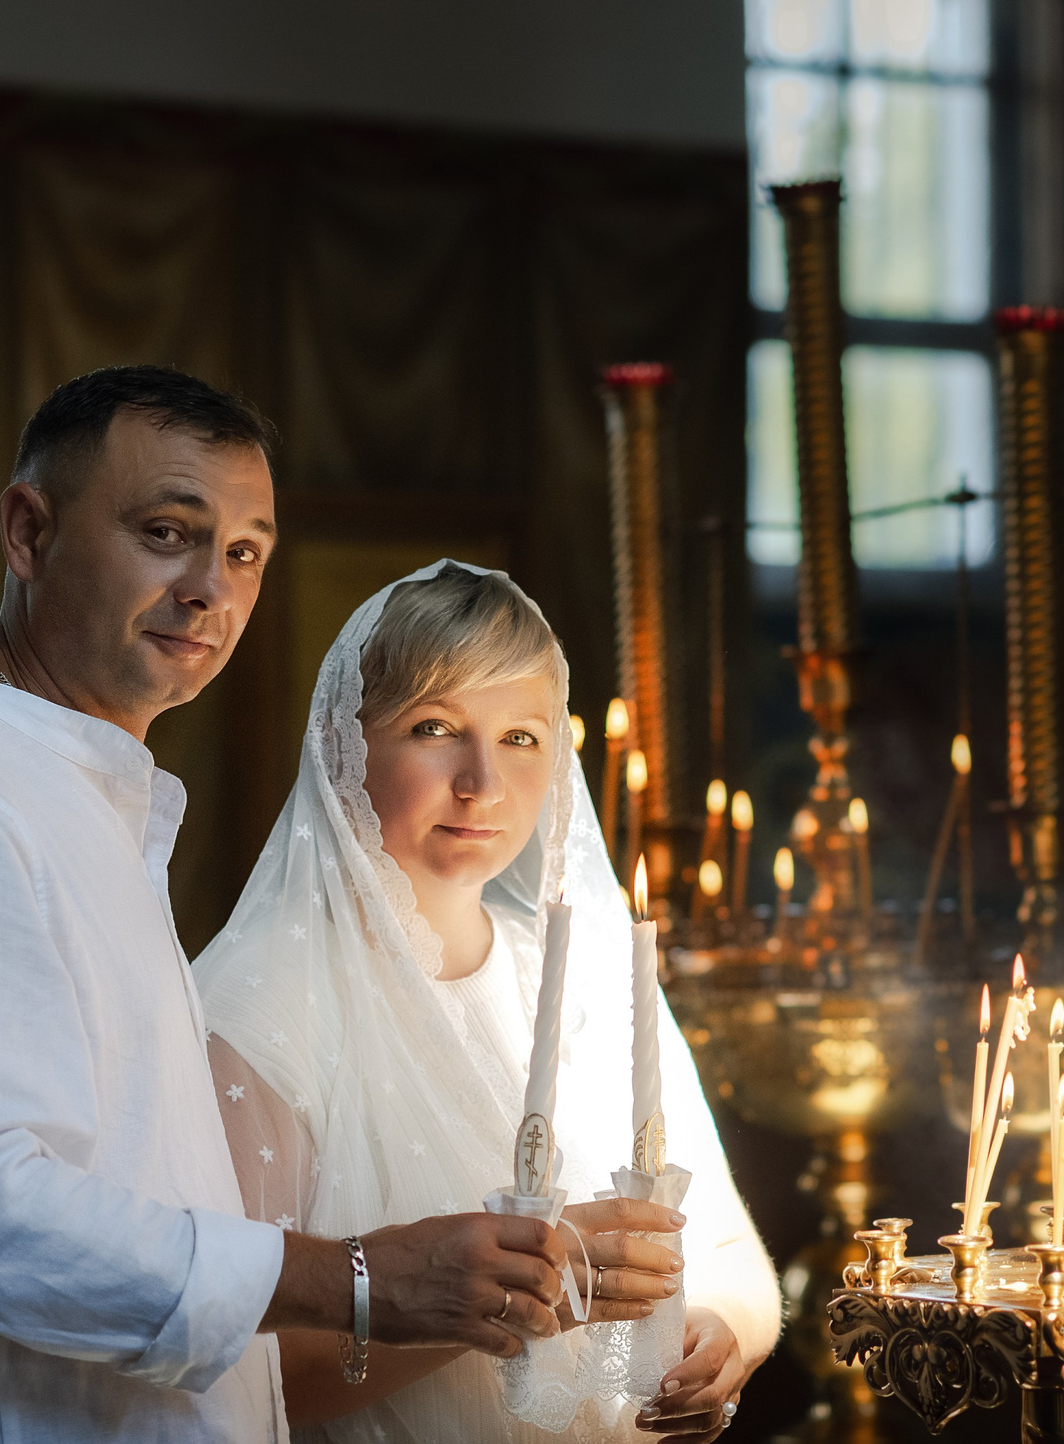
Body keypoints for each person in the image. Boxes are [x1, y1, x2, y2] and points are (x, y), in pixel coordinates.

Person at [0, 370, 570, 1443]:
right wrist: (356, 1275)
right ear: (27, 533)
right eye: (166, 532)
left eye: (244, 552)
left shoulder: (76, 801)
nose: (212, 589)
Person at [193, 562, 780, 1442]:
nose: (483, 781)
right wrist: (498, 1299)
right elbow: (237, 1369)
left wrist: (723, 1332)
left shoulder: (587, 978)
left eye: (521, 736)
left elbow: (732, 1254)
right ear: (343, 747)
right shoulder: (257, 1011)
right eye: (435, 727)